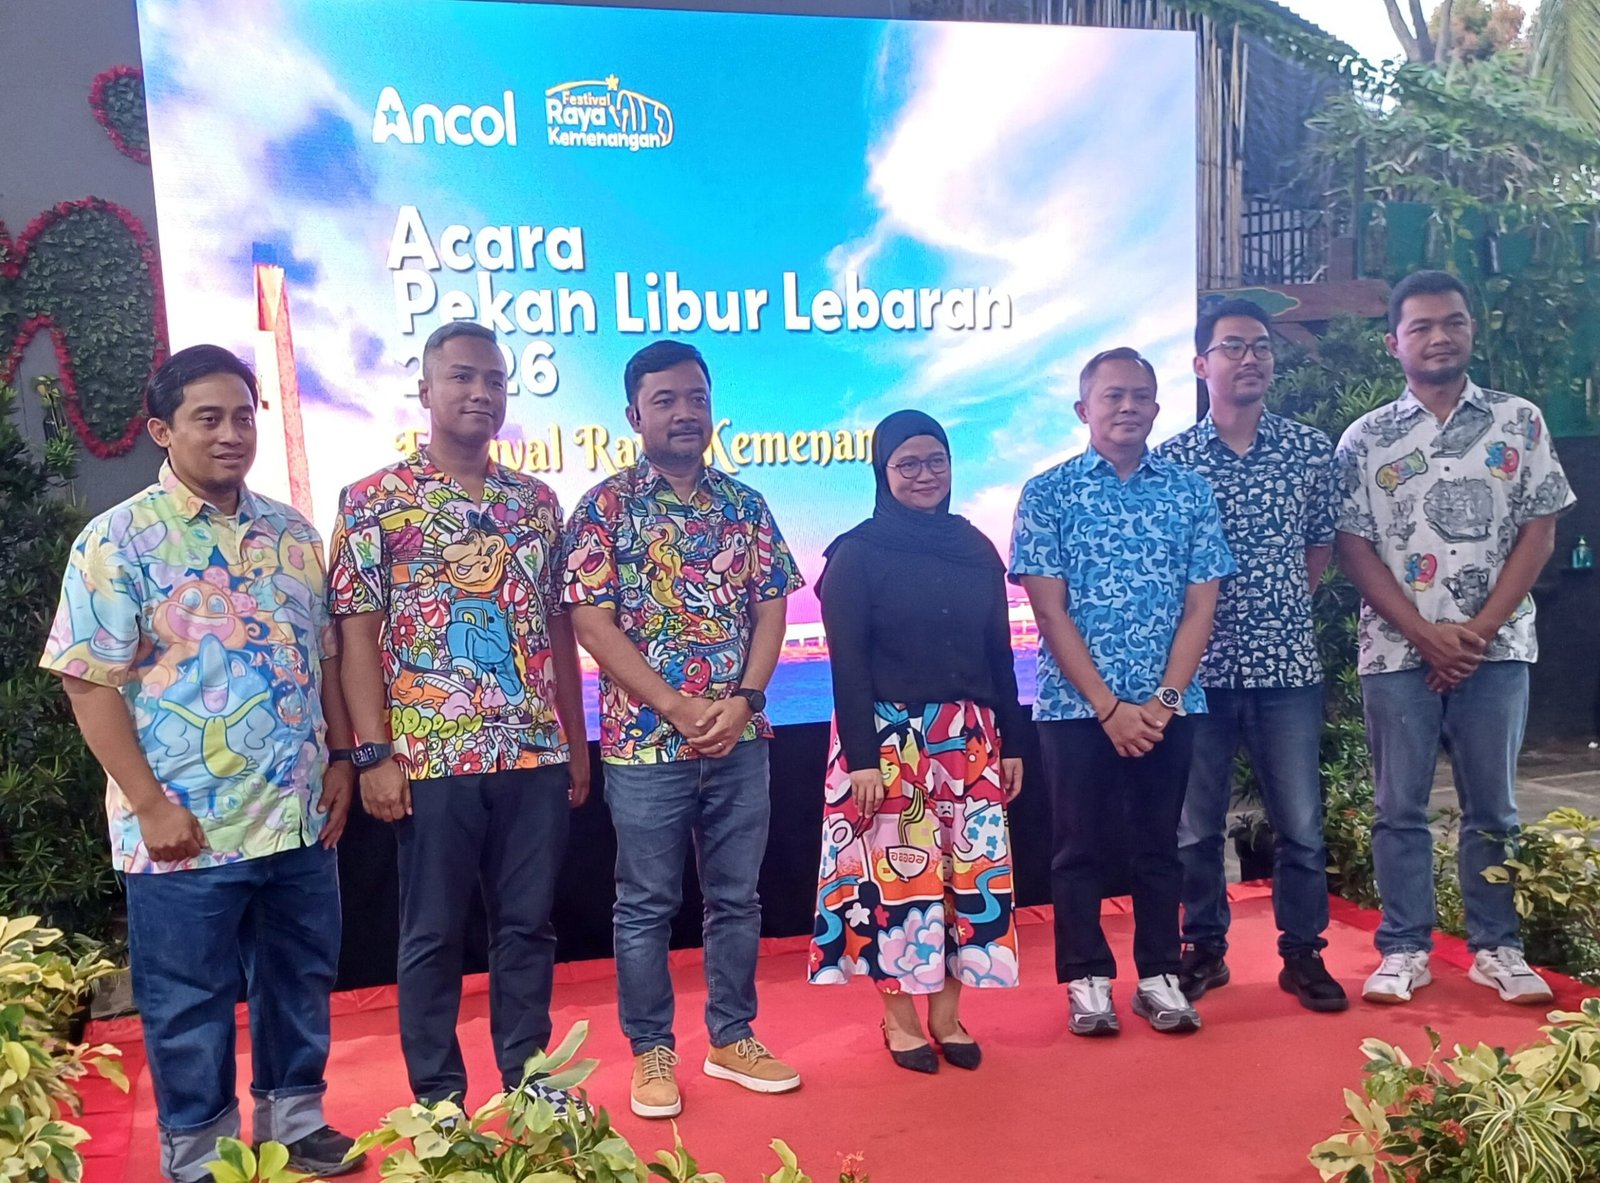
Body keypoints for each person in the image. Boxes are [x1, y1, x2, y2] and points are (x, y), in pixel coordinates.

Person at [40, 346, 362, 1181]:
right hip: (184, 827)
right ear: (162, 429)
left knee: (300, 978)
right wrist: (149, 804)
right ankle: (201, 1153)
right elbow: (87, 680)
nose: (231, 434)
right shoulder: (117, 540)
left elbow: (325, 658)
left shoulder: (294, 533)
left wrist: (341, 758)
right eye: (207, 418)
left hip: (297, 816)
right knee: (188, 1001)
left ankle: (296, 1124)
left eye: (243, 416)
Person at [329, 321, 590, 1106]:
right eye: (462, 377)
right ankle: (439, 1100)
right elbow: (356, 634)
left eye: (494, 381)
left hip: (534, 751)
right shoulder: (373, 501)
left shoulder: (536, 503)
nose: (481, 393)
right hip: (429, 758)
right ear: (426, 390)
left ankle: (530, 1080)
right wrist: (373, 753)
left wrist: (576, 741)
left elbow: (557, 628)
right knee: (433, 932)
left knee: (528, 925)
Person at [564, 340, 802, 1119]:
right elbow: (591, 624)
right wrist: (674, 705)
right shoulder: (603, 507)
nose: (685, 412)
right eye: (665, 400)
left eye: (696, 397)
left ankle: (733, 1036)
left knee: (736, 897)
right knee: (645, 903)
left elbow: (772, 608)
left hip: (740, 739)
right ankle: (652, 1049)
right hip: (644, 746)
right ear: (634, 414)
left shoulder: (746, 505)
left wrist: (746, 700)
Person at [1334, 270, 1574, 1006]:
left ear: (1471, 328)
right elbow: (1352, 546)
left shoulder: (1518, 421)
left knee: (1493, 808)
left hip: (1495, 651)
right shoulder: (1366, 439)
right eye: (1421, 327)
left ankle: (1497, 947)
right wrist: (1425, 636)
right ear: (1394, 343)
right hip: (1395, 653)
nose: (1439, 337)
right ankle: (1404, 947)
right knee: (1398, 809)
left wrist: (1473, 633)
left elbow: (1540, 530)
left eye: (1453, 322)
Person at [1011, 347, 1235, 1037]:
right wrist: (1109, 707)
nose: (1128, 407)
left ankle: (1160, 975)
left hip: (1169, 708)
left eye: (1140, 395)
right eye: (1113, 396)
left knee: (1159, 846)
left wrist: (1162, 702)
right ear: (1084, 409)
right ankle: (1086, 978)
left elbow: (1201, 606)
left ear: (1158, 408)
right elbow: (1050, 611)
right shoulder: (1047, 493)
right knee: (1076, 848)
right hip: (1075, 708)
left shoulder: (1190, 493)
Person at [808, 410, 1029, 1073]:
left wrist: (1013, 742)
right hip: (887, 741)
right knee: (897, 883)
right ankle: (900, 1020)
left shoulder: (975, 548)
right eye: (908, 463)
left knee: (967, 878)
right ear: (883, 471)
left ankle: (948, 1016)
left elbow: (999, 652)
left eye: (937, 460)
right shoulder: (856, 554)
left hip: (971, 740)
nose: (925, 474)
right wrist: (862, 759)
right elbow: (848, 665)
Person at [1156, 299, 1348, 1013]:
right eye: (1233, 346)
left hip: (1286, 669)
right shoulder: (1172, 462)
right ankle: (1204, 949)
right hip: (1199, 675)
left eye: (1261, 346)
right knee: (1195, 827)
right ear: (1200, 363)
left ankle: (1303, 954)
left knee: (1300, 824)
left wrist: (1280, 605)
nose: (1251, 358)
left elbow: (1320, 544)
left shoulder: (1309, 451)